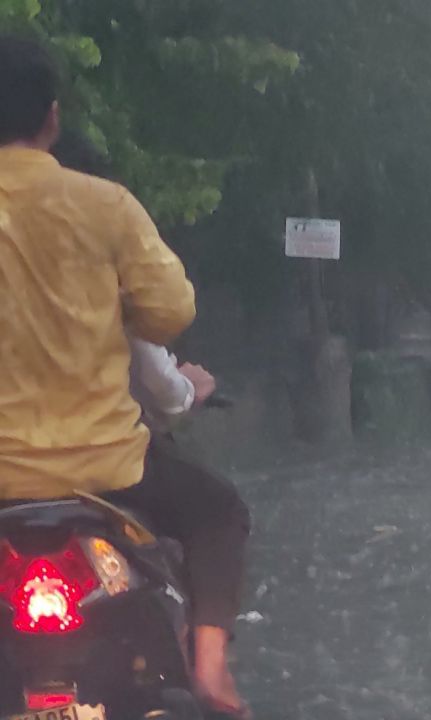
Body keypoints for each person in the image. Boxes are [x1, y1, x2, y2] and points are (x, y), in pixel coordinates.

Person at [0, 37, 248, 717]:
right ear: (51, 118)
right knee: (218, 511)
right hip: (108, 473)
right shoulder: (104, 204)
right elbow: (170, 311)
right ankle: (211, 668)